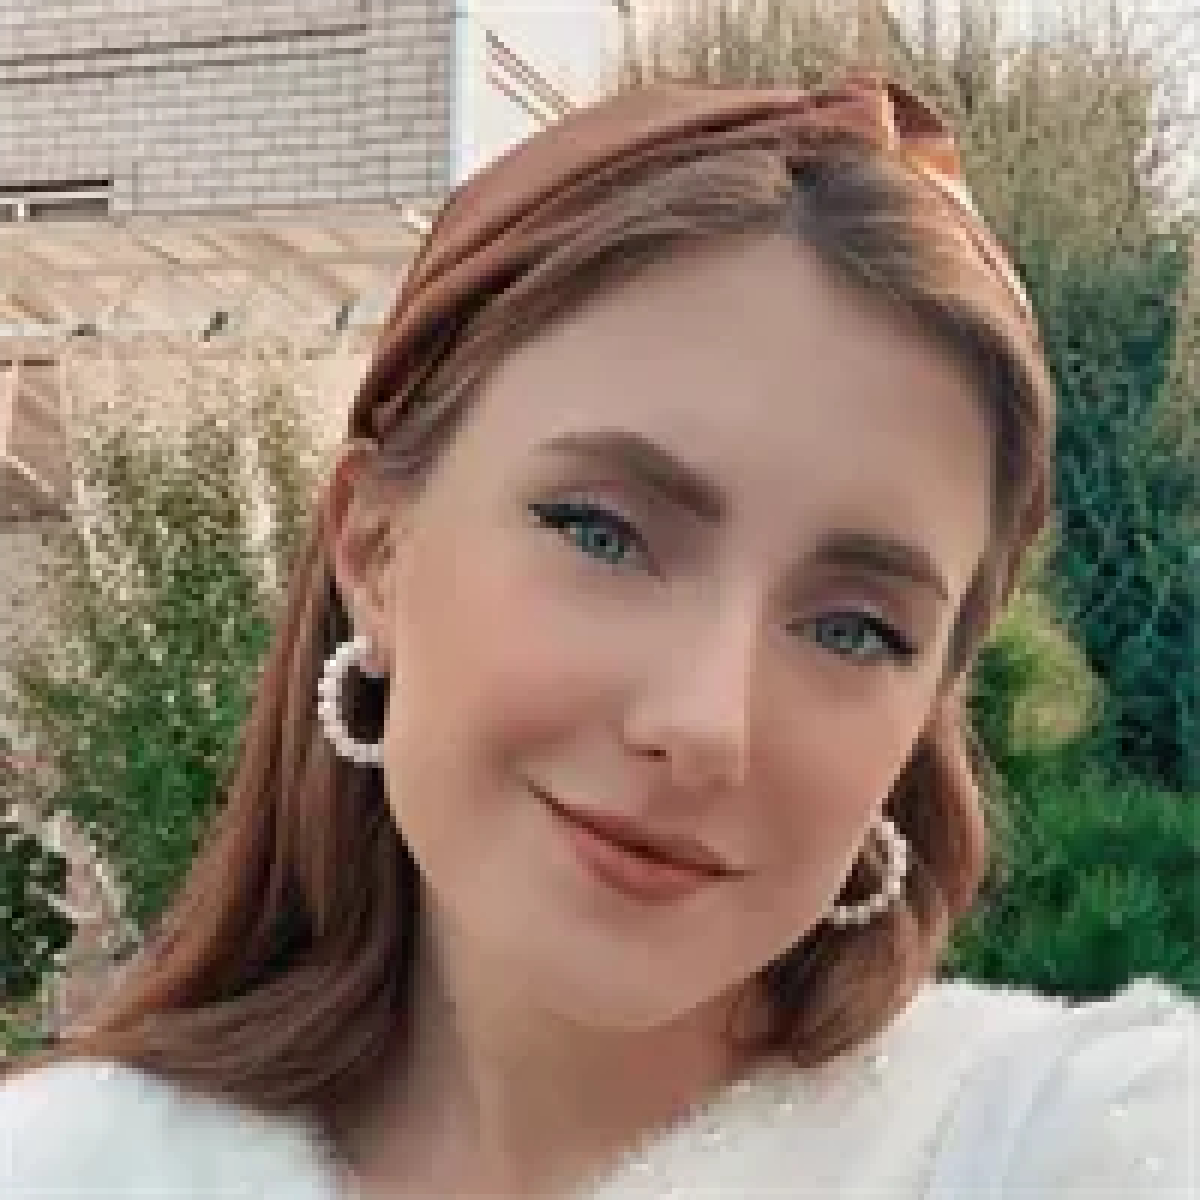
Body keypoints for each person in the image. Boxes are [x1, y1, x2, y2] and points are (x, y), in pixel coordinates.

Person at [1, 75, 1194, 1199]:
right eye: (604, 533)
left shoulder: (1067, 1144)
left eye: (854, 628)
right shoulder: (76, 1166)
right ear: (378, 548)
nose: (703, 724)